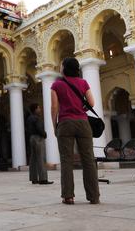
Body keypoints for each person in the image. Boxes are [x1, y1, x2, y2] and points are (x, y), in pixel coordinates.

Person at [51, 57, 100, 205]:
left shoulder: (56, 85)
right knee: (89, 160)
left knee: (66, 160)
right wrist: (80, 110)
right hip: (83, 123)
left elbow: (54, 108)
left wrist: (55, 125)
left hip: (65, 123)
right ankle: (94, 196)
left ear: (65, 68)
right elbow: (92, 103)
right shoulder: (83, 82)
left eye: (61, 65)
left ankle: (68, 196)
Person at [26, 103, 53, 185]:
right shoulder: (36, 118)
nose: (40, 109)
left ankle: (34, 178)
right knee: (41, 158)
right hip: (38, 138)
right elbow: (39, 128)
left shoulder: (29, 118)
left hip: (31, 138)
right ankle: (43, 179)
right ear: (35, 109)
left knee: (33, 159)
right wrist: (44, 134)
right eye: (38, 108)